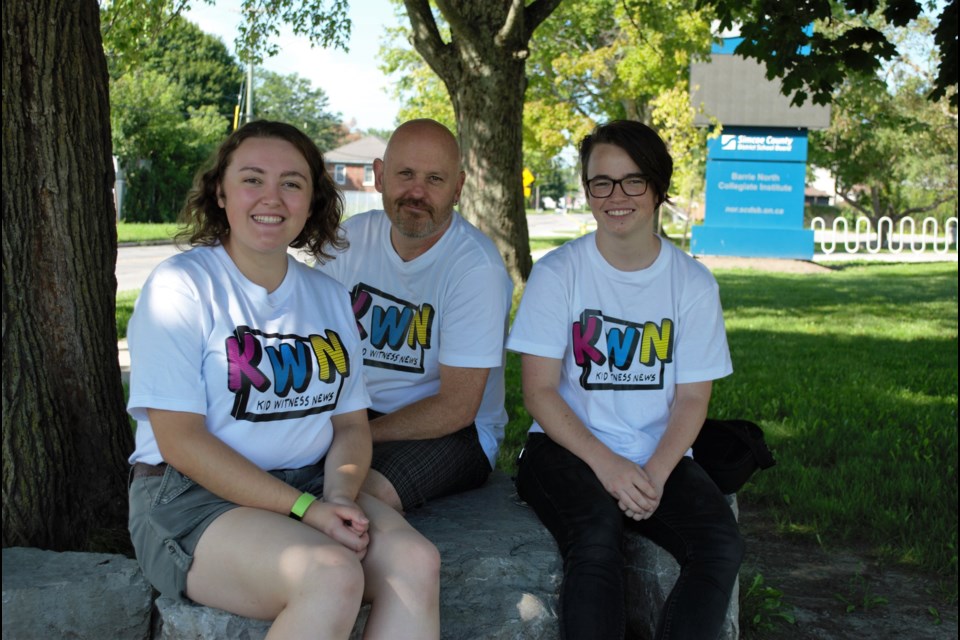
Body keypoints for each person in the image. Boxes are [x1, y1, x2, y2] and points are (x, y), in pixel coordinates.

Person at [126, 120, 440, 639]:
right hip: (192, 498)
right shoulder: (181, 286)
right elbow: (179, 441)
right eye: (252, 179)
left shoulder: (328, 295)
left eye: (292, 183)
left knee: (416, 561)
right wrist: (306, 511)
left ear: (311, 200)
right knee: (330, 574)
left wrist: (339, 495)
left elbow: (351, 426)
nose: (271, 197)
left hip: (311, 484)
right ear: (220, 192)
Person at [509, 120, 744, 639]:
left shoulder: (692, 282)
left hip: (657, 451)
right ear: (587, 189)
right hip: (565, 448)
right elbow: (539, 390)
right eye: (601, 182)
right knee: (595, 538)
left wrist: (656, 474)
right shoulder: (558, 273)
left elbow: (692, 398)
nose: (616, 196)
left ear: (657, 187)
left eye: (633, 181)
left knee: (719, 545)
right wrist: (609, 465)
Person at [316, 119, 513, 513]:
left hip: (455, 433)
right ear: (379, 175)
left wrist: (351, 435)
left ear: (457, 189)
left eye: (435, 179)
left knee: (354, 493)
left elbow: (456, 407)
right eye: (405, 174)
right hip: (357, 413)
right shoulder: (346, 243)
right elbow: (310, 343)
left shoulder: (476, 269)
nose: (417, 192)